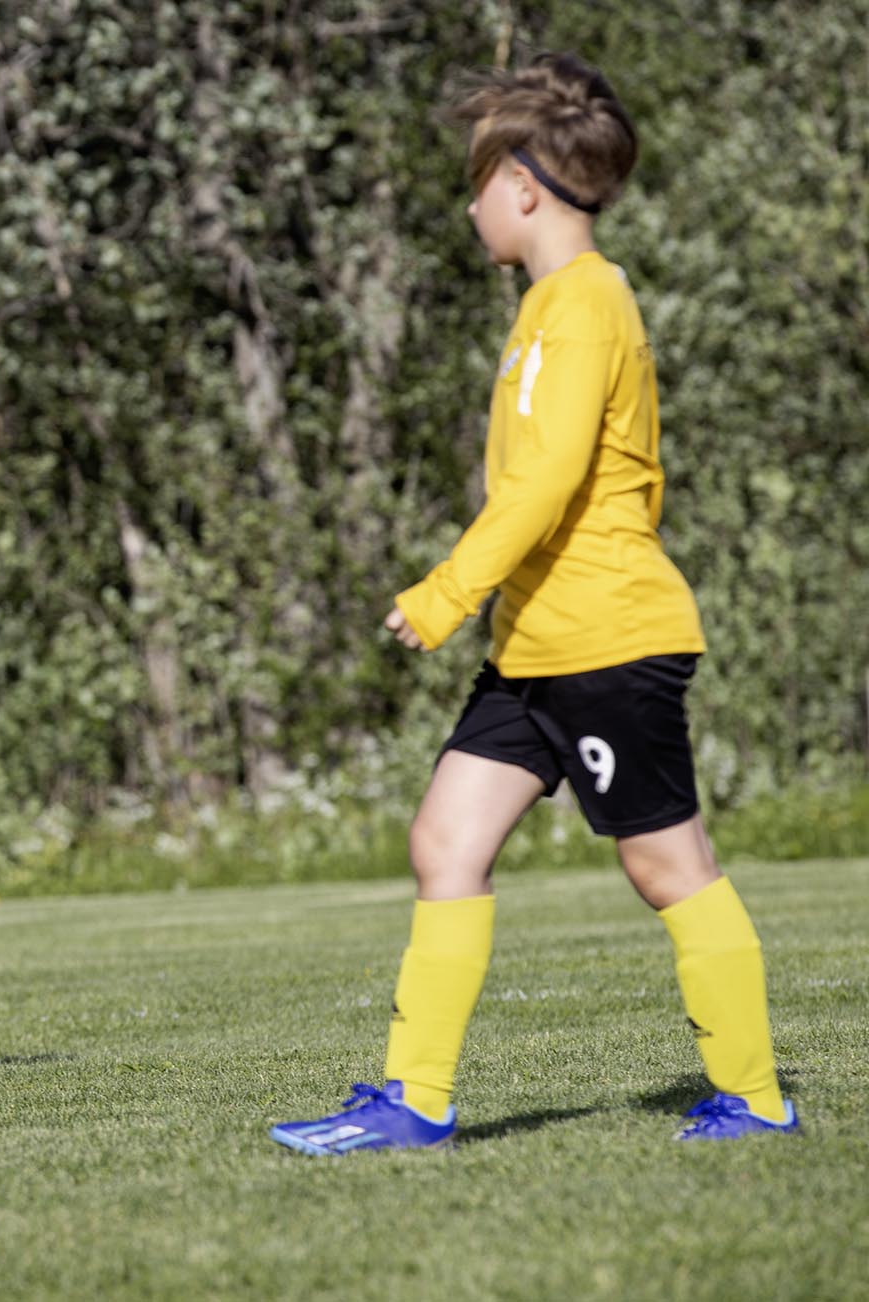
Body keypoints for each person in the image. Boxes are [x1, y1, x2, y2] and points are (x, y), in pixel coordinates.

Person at [270, 53, 797, 1153]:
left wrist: (446, 591)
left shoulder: (585, 303)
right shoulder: (550, 307)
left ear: (518, 186)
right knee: (442, 843)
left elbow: (547, 482)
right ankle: (412, 1102)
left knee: (666, 866)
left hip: (606, 638)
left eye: (471, 185)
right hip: (536, 645)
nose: (466, 208)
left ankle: (752, 1100)